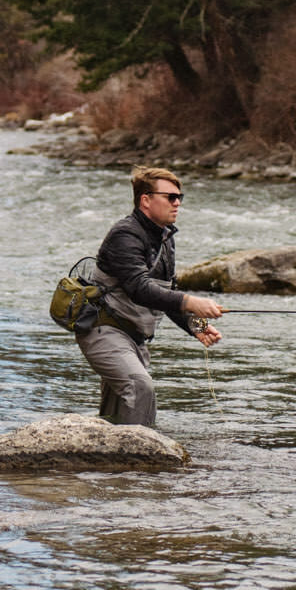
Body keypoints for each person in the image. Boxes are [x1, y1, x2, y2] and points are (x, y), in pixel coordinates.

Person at [76, 163, 223, 430]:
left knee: (116, 419)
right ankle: (141, 464)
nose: (177, 203)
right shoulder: (125, 234)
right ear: (145, 200)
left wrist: (196, 325)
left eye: (180, 197)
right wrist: (192, 302)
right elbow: (139, 289)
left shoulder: (165, 238)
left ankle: (113, 470)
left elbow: (165, 294)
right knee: (139, 387)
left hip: (134, 338)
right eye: (170, 197)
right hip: (104, 330)